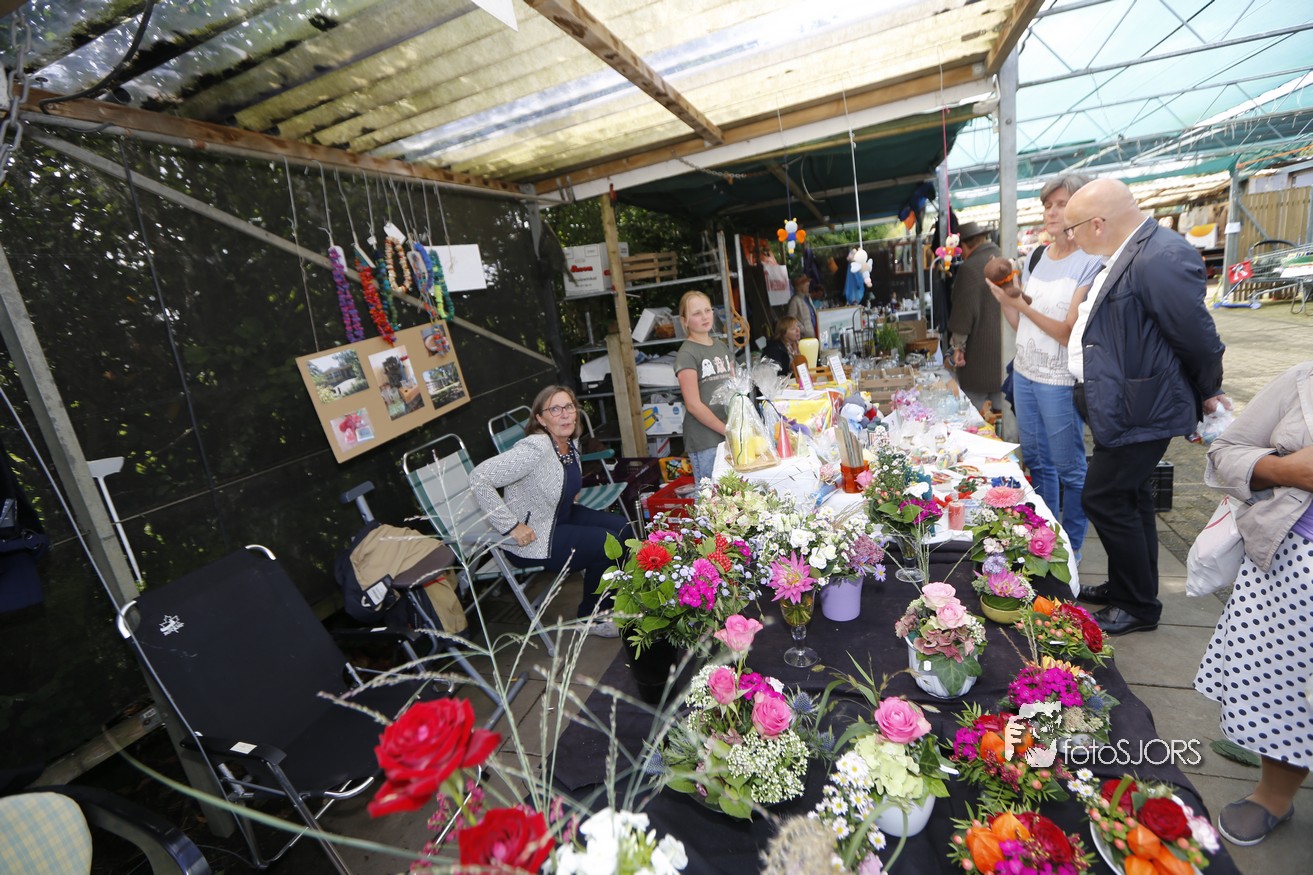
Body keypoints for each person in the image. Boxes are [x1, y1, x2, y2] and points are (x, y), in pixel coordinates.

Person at [1063, 178, 1227, 635]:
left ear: (1098, 223)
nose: (1071, 237)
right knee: (1131, 498)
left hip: (1143, 405)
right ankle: (1128, 588)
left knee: (1104, 496)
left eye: (1074, 228)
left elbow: (1196, 336)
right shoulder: (1132, 251)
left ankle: (1136, 604)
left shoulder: (1159, 256)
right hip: (1124, 403)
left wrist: (1209, 389)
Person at [1193, 360, 1312, 847]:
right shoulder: (1304, 381)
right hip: (1294, 568)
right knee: (1282, 684)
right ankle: (1274, 794)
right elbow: (1226, 450)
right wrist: (1286, 470)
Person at [987, 174, 1104, 558]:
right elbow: (1022, 324)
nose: (1051, 212)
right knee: (1037, 462)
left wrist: (1017, 303)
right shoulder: (1037, 256)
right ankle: (1046, 541)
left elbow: (1068, 332)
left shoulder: (1091, 262)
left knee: (1069, 468)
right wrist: (1005, 299)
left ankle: (1073, 548)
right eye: (1047, 205)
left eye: (1061, 204)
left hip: (1058, 379)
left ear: (1081, 207)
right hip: (1025, 373)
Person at [468, 385, 631, 637]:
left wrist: (568, 489)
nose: (565, 414)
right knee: (604, 544)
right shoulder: (535, 448)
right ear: (541, 419)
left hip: (560, 515)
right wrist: (511, 526)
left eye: (568, 407)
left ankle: (611, 599)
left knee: (623, 529)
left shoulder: (569, 440)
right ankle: (592, 617)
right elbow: (479, 477)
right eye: (555, 409)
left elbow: (559, 474)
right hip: (533, 537)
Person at [675, 290, 736, 485]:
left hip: (727, 432)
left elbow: (734, 386)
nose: (704, 317)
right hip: (705, 440)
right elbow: (693, 405)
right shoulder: (687, 354)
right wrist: (726, 430)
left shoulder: (721, 346)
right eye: (696, 313)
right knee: (709, 496)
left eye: (707, 310)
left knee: (731, 493)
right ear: (684, 320)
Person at [947, 221, 1005, 413]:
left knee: (977, 416)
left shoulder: (969, 269)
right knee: (1005, 413)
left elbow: (962, 314)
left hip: (979, 358)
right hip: (1007, 354)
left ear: (965, 245)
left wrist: (957, 348)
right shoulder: (1004, 258)